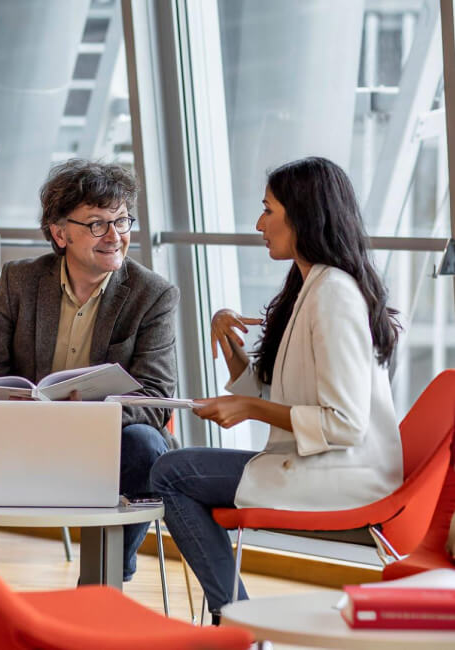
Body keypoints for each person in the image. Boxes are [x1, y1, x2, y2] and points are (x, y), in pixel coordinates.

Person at [150, 156, 403, 621]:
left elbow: (344, 424)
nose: (258, 224)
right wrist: (230, 345)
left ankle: (234, 619)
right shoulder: (312, 286)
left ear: (302, 215)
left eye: (268, 210)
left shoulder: (333, 294)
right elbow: (278, 397)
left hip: (343, 474)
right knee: (172, 470)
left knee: (171, 473)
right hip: (319, 464)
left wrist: (248, 407)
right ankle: (235, 618)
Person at [0, 159, 180, 582]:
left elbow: (156, 395)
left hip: (102, 445)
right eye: (97, 224)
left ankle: (106, 576)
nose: (115, 236)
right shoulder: (21, 281)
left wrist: (84, 414)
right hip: (21, 438)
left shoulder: (153, 294)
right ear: (59, 233)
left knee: (147, 445)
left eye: (122, 220)